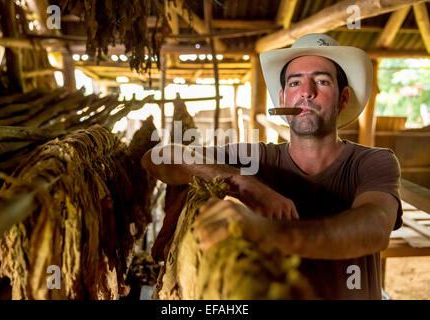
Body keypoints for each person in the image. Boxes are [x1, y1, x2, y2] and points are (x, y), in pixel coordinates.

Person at [141, 33, 402, 299]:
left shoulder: (372, 162)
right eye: (295, 82)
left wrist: (265, 232)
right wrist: (242, 181)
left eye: (321, 81)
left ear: (343, 98)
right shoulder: (256, 159)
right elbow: (158, 157)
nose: (306, 92)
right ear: (283, 99)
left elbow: (376, 227)